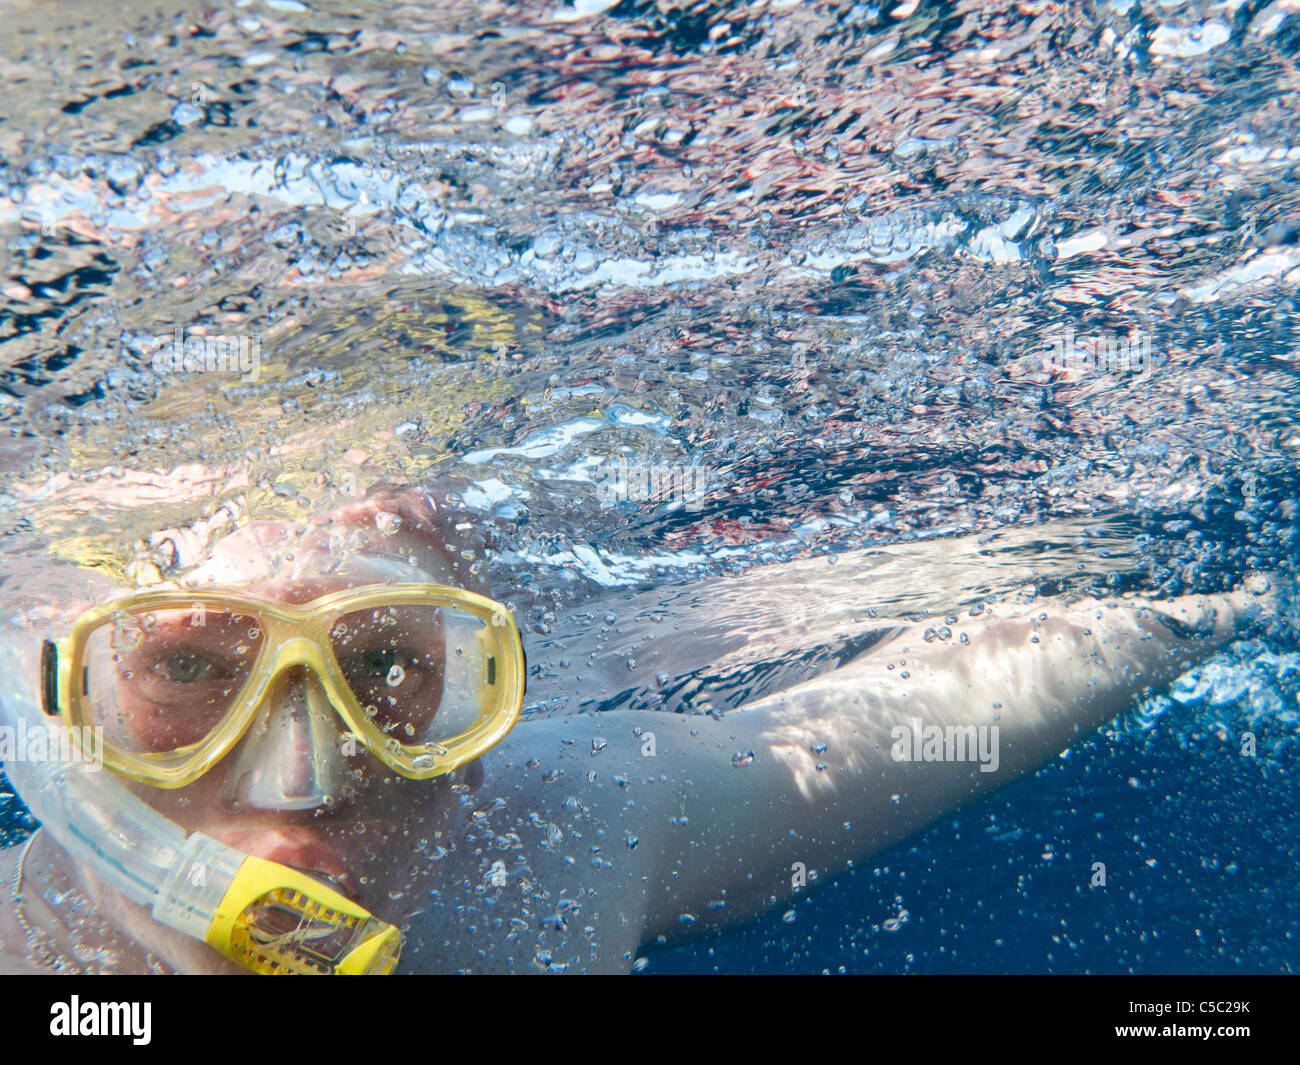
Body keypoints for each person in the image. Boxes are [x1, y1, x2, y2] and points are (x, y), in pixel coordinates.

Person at [0, 486, 1286, 974]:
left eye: (385, 666)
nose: (301, 776)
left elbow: (934, 716)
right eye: (186, 669)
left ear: (482, 709)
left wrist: (1242, 601)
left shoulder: (572, 838)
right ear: (62, 706)